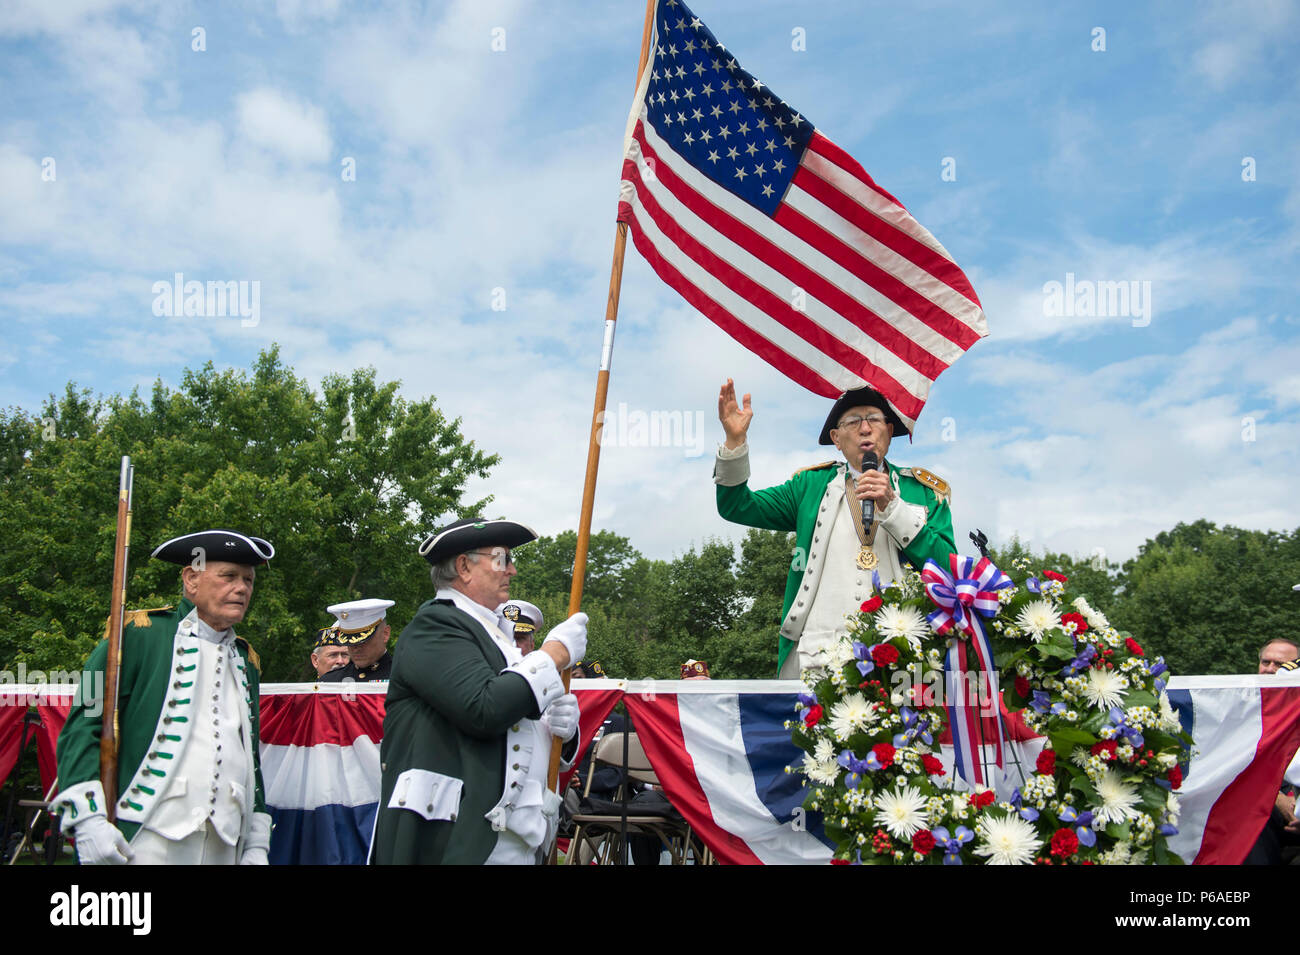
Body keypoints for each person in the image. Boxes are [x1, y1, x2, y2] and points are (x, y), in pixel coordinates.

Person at [371, 517, 587, 865]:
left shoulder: (495, 634)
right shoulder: (434, 627)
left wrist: (558, 730)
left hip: (512, 839)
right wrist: (555, 654)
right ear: (463, 567)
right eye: (502, 558)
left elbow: (514, 724)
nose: (512, 570)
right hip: (454, 840)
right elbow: (484, 708)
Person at [54, 529, 274, 865]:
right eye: (229, 576)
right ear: (191, 579)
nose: (242, 588)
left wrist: (257, 843)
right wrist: (89, 818)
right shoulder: (137, 635)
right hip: (147, 834)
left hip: (225, 841)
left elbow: (250, 759)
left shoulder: (247, 661)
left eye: (248, 579)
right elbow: (83, 724)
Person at [715, 379, 957, 678]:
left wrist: (893, 507)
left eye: (874, 419)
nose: (865, 428)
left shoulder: (922, 491)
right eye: (853, 421)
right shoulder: (808, 486)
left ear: (890, 431)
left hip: (901, 659)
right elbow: (737, 506)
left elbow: (950, 571)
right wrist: (734, 442)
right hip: (817, 659)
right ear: (836, 438)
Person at [321, 598, 395, 683]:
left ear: (385, 634)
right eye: (349, 642)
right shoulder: (330, 682)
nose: (355, 648)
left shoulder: (404, 678)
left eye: (363, 641)